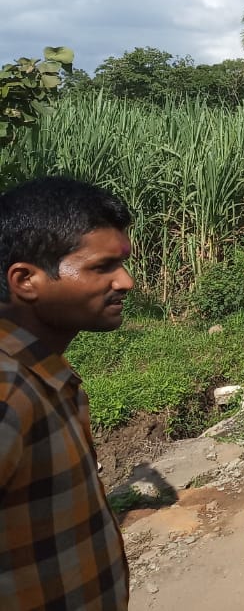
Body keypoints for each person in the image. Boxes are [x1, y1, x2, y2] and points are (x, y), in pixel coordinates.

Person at [0, 176, 133, 610]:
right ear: (26, 280)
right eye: (102, 267)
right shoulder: (8, 389)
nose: (126, 282)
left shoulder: (42, 373)